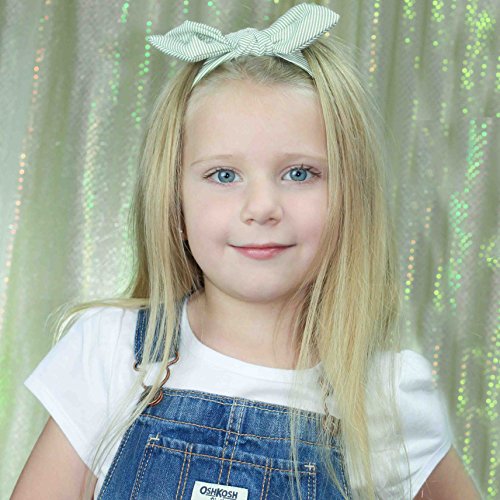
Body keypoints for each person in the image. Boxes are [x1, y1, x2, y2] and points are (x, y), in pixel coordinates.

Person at [12, 3, 481, 500]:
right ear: (175, 204)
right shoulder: (110, 353)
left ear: (351, 197)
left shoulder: (386, 397)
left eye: (299, 173)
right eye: (224, 175)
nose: (261, 207)